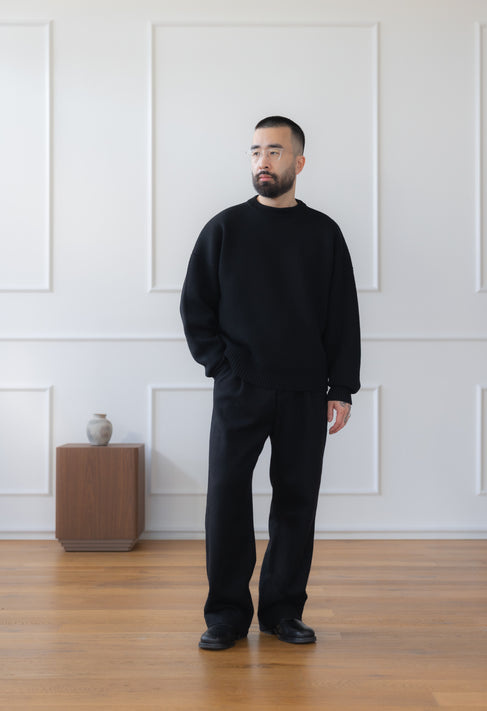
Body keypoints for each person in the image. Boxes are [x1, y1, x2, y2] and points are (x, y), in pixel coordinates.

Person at [180, 116, 361, 650]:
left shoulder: (323, 233)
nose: (264, 160)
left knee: (297, 500)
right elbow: (195, 308)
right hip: (240, 386)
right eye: (256, 150)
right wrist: (222, 368)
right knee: (227, 499)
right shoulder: (224, 228)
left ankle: (283, 611)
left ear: (298, 162)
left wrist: (341, 387)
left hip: (305, 389)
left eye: (276, 151)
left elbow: (342, 315)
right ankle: (226, 615)